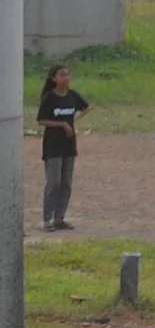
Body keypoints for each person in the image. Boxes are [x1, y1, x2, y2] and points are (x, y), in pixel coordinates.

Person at [35, 64, 91, 232]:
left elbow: (86, 107)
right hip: (53, 145)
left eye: (67, 75)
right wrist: (62, 124)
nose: (65, 78)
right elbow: (41, 121)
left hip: (68, 144)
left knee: (66, 182)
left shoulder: (73, 96)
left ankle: (60, 218)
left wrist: (74, 123)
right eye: (61, 75)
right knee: (54, 182)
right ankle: (47, 219)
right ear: (54, 78)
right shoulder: (50, 98)